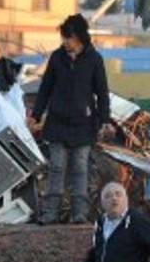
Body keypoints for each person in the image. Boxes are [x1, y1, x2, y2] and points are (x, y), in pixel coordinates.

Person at [27, 14, 111, 224]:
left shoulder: (94, 59)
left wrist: (104, 120)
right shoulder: (56, 58)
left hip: (83, 126)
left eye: (69, 38)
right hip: (57, 124)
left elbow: (102, 92)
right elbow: (45, 88)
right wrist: (35, 115)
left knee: (80, 169)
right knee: (56, 168)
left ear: (80, 37)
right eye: (64, 38)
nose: (65, 42)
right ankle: (51, 213)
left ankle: (79, 214)